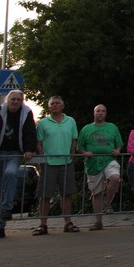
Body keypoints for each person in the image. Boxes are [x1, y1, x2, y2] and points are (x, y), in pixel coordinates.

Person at [0, 90, 37, 239]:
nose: (15, 102)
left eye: (18, 100)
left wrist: (29, 149)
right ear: (8, 100)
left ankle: (7, 207)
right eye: (13, 99)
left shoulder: (26, 113)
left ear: (22, 101)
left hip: (14, 153)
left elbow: (30, 132)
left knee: (11, 173)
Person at [33, 95, 80, 236]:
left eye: (57, 103)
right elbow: (39, 143)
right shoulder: (43, 123)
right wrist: (42, 159)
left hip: (66, 162)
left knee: (67, 193)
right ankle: (43, 224)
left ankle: (68, 222)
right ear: (49, 107)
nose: (54, 105)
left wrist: (72, 155)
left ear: (62, 106)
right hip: (49, 163)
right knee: (45, 195)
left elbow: (74, 140)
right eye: (52, 103)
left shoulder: (70, 121)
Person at [77, 104, 123, 231]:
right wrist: (85, 152)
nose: (100, 113)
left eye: (103, 111)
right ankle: (98, 221)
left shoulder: (112, 127)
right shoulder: (86, 129)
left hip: (109, 160)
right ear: (94, 113)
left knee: (115, 178)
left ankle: (107, 202)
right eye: (98, 111)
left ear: (106, 113)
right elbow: (80, 146)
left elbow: (119, 144)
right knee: (96, 193)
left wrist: (118, 150)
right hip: (93, 163)